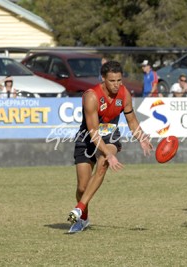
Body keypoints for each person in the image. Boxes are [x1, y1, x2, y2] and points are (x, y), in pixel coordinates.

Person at [67, 60, 153, 234]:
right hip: (87, 138)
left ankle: (79, 208)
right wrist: (109, 154)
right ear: (103, 79)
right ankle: (83, 219)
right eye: (112, 81)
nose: (116, 84)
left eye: (119, 80)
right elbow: (93, 132)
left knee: (104, 162)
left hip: (110, 136)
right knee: (82, 188)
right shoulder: (91, 96)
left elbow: (132, 121)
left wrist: (141, 138)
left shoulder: (124, 94)